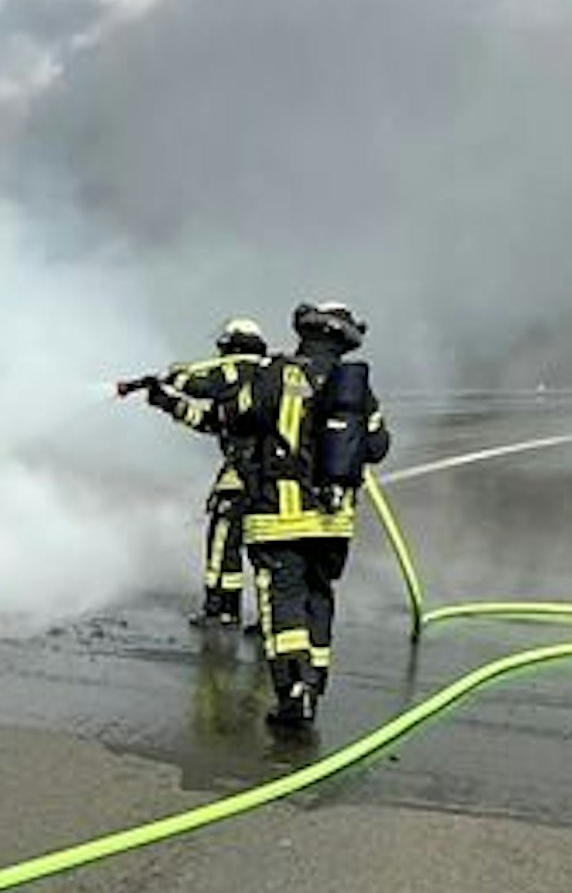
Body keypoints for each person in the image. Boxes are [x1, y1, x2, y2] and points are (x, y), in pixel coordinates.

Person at [214, 300, 391, 729]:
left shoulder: (275, 373)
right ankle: (314, 684)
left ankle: (294, 695)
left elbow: (233, 417)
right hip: (334, 523)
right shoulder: (355, 386)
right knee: (319, 597)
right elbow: (379, 446)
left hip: (278, 519)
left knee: (284, 601)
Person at [132, 318, 269, 628]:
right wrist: (167, 403)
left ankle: (220, 609)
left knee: (223, 541)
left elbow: (200, 385)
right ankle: (265, 617)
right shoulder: (260, 381)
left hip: (242, 478)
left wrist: (173, 376)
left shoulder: (236, 370)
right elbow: (211, 421)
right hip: (268, 481)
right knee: (265, 553)